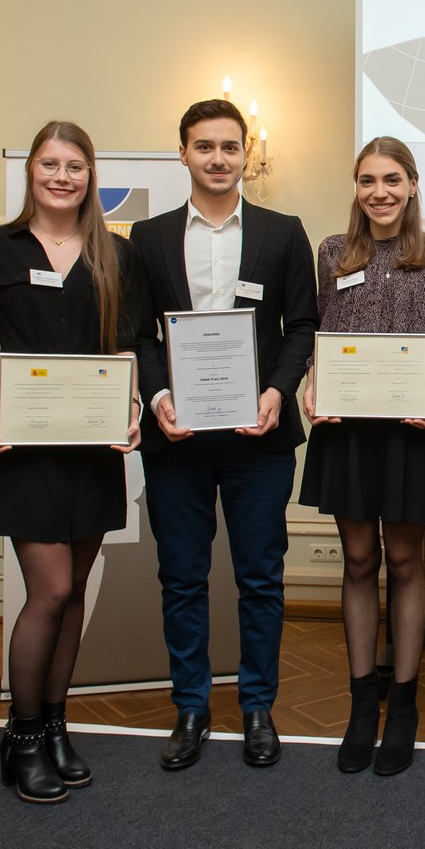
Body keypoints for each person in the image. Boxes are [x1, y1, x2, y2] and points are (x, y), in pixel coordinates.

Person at [0, 121, 144, 803]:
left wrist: (130, 408)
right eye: (50, 164)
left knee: (74, 598)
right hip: (22, 445)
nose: (62, 177)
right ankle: (23, 733)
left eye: (75, 166)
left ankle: (57, 723)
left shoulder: (114, 255)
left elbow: (128, 345)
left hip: (92, 448)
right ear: (31, 171)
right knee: (52, 590)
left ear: (91, 177)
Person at [130, 99, 318, 772]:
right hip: (176, 441)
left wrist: (276, 391)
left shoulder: (281, 232)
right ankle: (190, 707)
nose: (217, 158)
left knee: (260, 578)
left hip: (257, 437)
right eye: (203, 146)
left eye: (229, 147)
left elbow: (302, 326)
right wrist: (156, 398)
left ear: (246, 155)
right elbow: (136, 334)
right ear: (182, 153)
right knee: (181, 578)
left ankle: (258, 707)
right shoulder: (147, 239)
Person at [298, 137, 425, 776]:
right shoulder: (333, 253)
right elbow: (322, 332)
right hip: (349, 433)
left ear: (414, 185)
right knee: (359, 559)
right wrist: (314, 377)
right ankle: (361, 703)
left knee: (405, 558)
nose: (380, 193)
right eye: (367, 181)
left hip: (410, 429)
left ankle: (406, 703)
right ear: (356, 188)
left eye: (393, 180)